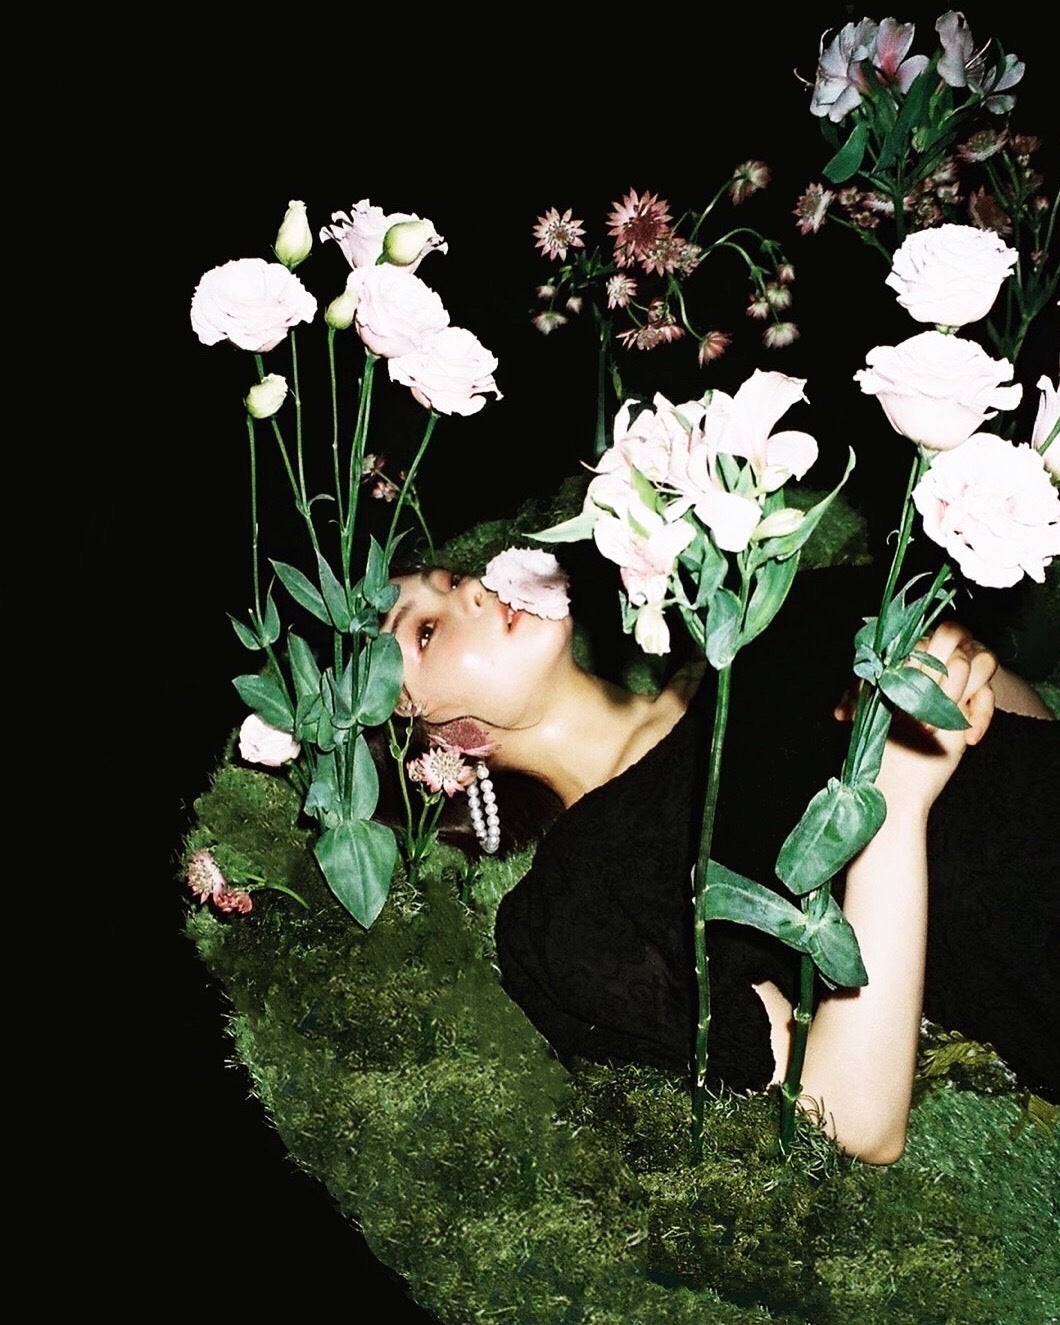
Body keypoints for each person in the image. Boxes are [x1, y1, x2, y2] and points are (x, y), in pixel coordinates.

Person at [382, 562, 1058, 1165]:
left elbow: (1018, 730)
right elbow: (852, 1114)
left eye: (450, 579)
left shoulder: (766, 616)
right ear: (432, 748)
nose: (473, 589)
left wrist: (961, 672)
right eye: (424, 633)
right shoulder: (576, 909)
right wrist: (896, 798)